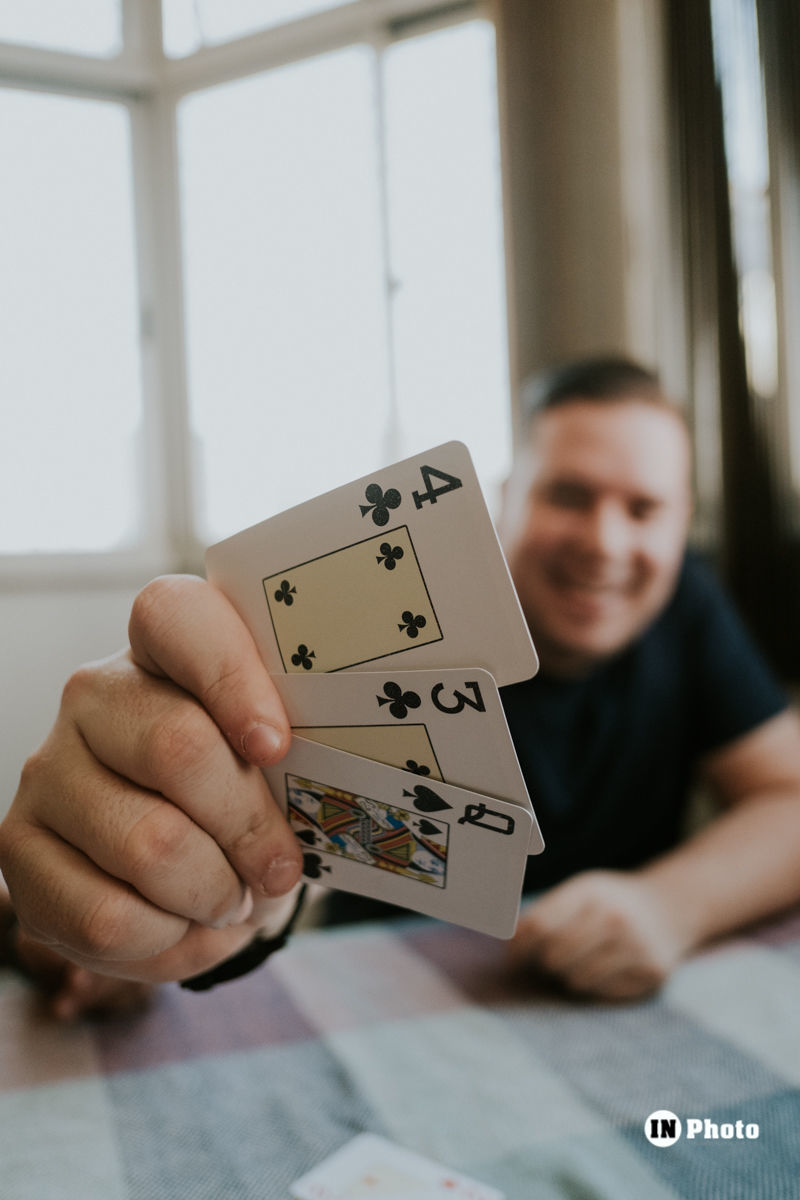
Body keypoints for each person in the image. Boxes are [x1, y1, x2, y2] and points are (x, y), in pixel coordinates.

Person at [1, 356, 799, 1010]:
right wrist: (123, 899)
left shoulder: (686, 603)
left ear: (681, 519)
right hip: (382, 994)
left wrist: (671, 904)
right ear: (507, 496)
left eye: (643, 508)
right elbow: (260, 856)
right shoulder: (396, 603)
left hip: (596, 1017)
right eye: (570, 495)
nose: (605, 542)